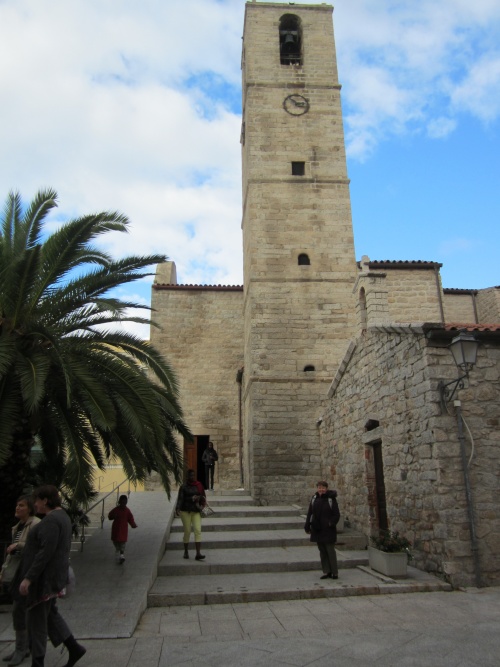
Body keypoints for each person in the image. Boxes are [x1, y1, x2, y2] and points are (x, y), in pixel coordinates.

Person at [17, 485, 86, 667]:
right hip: (53, 576)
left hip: (44, 580)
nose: (35, 506)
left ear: (45, 501)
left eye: (37, 501)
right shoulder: (62, 517)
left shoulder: (50, 521)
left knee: (37, 621)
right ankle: (74, 647)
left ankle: (37, 661)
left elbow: (45, 552)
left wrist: (28, 578)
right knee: (50, 615)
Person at [0, 495, 41, 666]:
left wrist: (18, 545)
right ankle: (23, 647)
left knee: (19, 610)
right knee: (20, 611)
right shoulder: (18, 527)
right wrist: (3, 571)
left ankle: (21, 649)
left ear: (30, 508)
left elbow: (35, 547)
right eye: (17, 505)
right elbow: (11, 556)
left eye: (21, 505)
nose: (17, 508)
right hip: (15, 573)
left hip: (26, 574)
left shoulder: (35, 524)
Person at [304, 481, 340, 580]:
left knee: (330, 551)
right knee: (322, 551)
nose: (321, 490)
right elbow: (310, 513)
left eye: (323, 488)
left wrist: (330, 523)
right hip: (317, 529)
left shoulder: (331, 499)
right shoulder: (314, 499)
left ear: (326, 488)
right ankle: (326, 571)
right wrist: (307, 526)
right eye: (319, 488)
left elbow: (336, 514)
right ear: (317, 488)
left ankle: (334, 572)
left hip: (328, 529)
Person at [176, 469, 206, 561]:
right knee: (187, 531)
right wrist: (178, 508)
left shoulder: (199, 485)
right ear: (187, 477)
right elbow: (181, 499)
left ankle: (198, 553)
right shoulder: (183, 487)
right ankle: (186, 551)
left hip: (196, 511)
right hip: (186, 511)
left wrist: (199, 498)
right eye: (190, 476)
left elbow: (203, 496)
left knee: (197, 530)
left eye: (193, 475)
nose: (192, 477)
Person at [108, 495, 138, 564]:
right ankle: (118, 551)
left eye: (124, 503)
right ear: (119, 502)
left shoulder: (127, 511)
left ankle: (122, 555)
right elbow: (110, 516)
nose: (123, 504)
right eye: (122, 503)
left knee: (122, 543)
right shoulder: (116, 510)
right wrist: (113, 516)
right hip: (116, 529)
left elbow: (130, 518)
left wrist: (133, 524)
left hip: (123, 530)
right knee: (116, 542)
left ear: (126, 503)